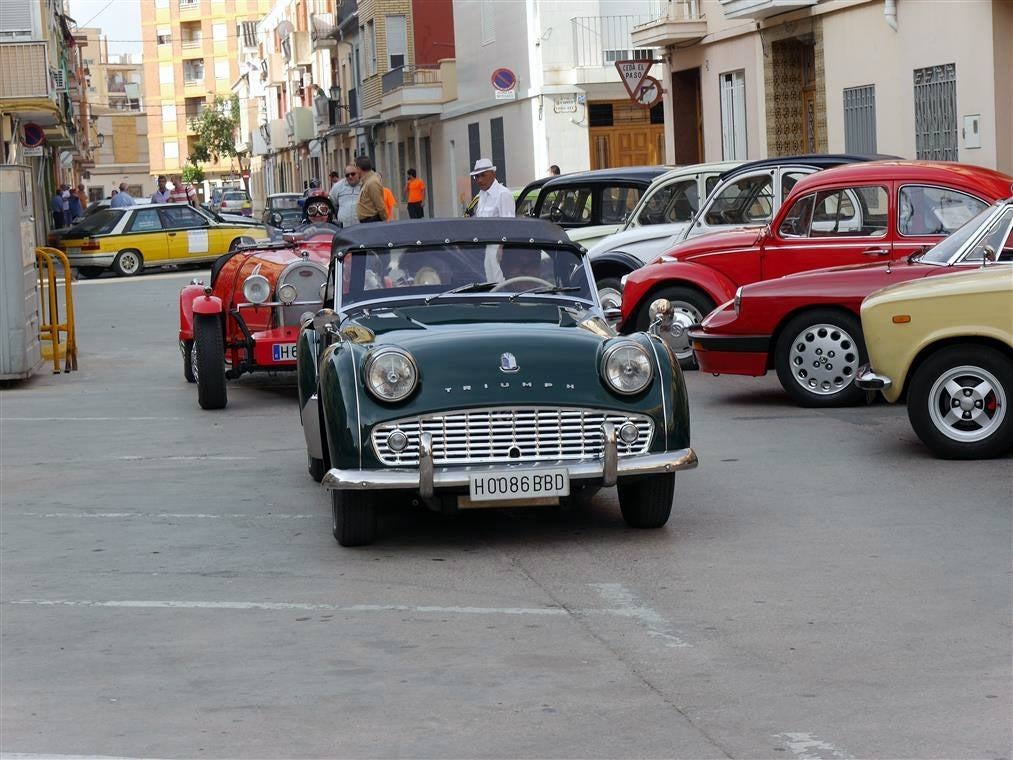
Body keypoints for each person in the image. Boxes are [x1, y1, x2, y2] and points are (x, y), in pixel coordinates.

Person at [355, 156, 387, 223]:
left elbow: (380, 206)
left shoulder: (372, 182)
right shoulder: (367, 181)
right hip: (367, 221)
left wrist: (384, 222)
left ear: (358, 169)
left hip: (372, 221)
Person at [330, 164, 361, 228]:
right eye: (347, 175)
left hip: (361, 227)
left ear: (358, 173)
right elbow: (332, 203)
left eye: (353, 174)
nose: (350, 176)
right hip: (343, 228)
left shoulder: (365, 185)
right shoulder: (337, 186)